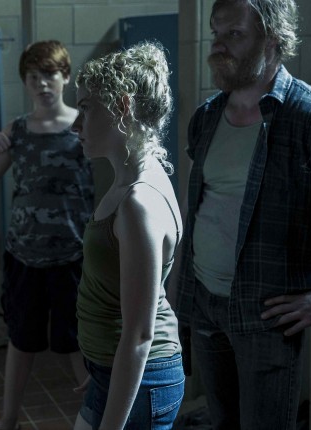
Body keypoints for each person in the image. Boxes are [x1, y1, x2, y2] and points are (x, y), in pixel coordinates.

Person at [174, 0, 311, 429]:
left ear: (272, 40)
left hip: (266, 317)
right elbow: (198, 211)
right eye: (216, 33)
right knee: (222, 423)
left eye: (234, 34)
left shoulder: (308, 117)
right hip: (205, 304)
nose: (218, 45)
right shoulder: (206, 117)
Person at [0, 40, 94, 430]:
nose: (42, 84)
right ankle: (8, 420)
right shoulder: (19, 130)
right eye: (33, 77)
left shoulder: (83, 125)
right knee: (21, 340)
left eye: (50, 75)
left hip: (73, 256)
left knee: (77, 342)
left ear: (66, 77)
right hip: (24, 254)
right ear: (25, 82)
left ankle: (99, 420)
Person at [71, 42, 184, 430]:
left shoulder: (139, 201)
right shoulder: (129, 180)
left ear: (121, 107)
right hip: (115, 371)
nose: (75, 124)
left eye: (85, 108)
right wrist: (101, 363)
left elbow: (139, 336)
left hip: (143, 377)